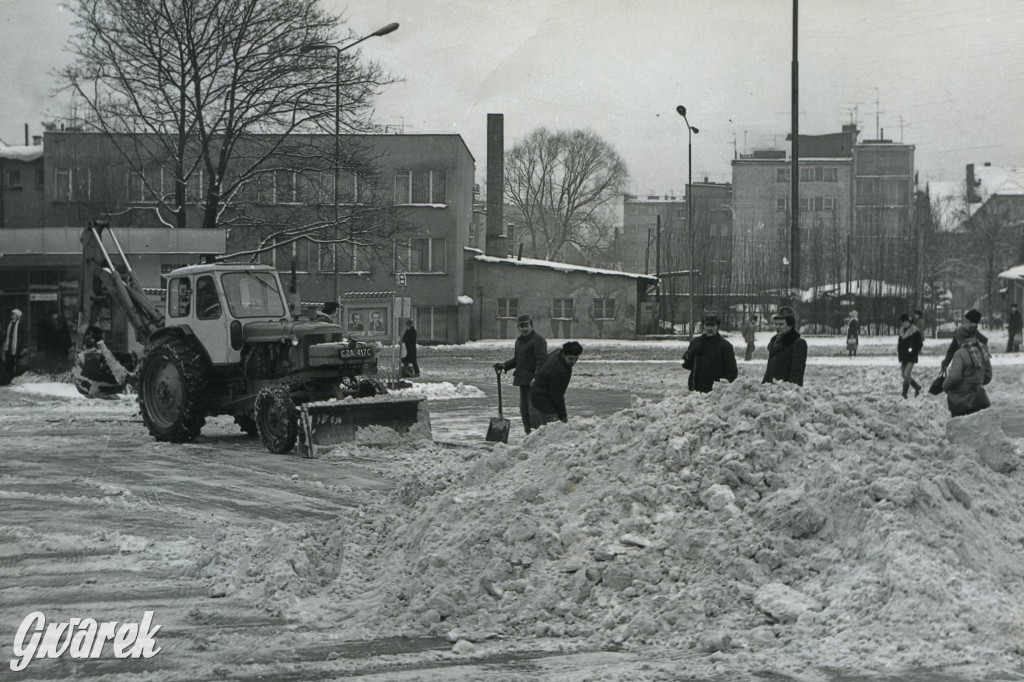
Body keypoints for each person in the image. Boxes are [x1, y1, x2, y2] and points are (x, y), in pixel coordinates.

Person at [494, 314, 548, 435]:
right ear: (518, 328)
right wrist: (504, 365)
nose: (524, 329)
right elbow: (517, 359)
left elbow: (541, 360)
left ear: (531, 325)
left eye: (526, 326)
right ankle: (527, 433)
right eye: (521, 326)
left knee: (534, 409)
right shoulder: (519, 341)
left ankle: (538, 433)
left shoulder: (538, 340)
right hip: (523, 380)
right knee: (524, 409)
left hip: (534, 381)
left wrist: (536, 377)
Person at [529, 341, 583, 428]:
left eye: (576, 358)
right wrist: (563, 417)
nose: (573, 362)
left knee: (540, 434)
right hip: (543, 405)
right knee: (551, 433)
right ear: (564, 355)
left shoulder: (558, 352)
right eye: (571, 358)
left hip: (535, 397)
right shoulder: (559, 371)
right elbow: (557, 396)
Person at [942, 327, 992, 417]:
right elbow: (988, 375)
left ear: (960, 338)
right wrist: (976, 382)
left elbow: (954, 377)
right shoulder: (982, 350)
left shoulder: (960, 353)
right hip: (979, 399)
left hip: (961, 401)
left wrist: (944, 385)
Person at [682, 314, 738, 392]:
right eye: (707, 325)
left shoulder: (725, 346)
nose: (709, 328)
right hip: (696, 391)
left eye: (712, 325)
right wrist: (690, 353)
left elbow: (732, 373)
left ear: (717, 326)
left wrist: (723, 388)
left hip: (715, 393)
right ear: (703, 326)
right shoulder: (696, 342)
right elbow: (686, 365)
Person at [762, 306, 808, 386]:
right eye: (776, 324)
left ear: (790, 325)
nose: (777, 327)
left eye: (781, 324)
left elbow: (796, 374)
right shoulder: (775, 342)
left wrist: (789, 393)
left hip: (784, 391)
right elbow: (769, 371)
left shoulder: (798, 343)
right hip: (770, 390)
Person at [896, 313, 923, 398]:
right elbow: (899, 343)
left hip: (911, 356)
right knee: (903, 375)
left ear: (910, 321)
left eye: (906, 321)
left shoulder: (914, 331)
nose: (904, 323)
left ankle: (904, 393)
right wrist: (899, 352)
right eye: (903, 322)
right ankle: (916, 386)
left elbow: (919, 343)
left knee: (906, 374)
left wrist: (913, 350)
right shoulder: (901, 331)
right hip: (903, 356)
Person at [3, 308, 25, 382]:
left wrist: (22, 347)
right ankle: (9, 376)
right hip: (9, 346)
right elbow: (6, 334)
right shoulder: (9, 323)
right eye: (12, 314)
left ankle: (16, 377)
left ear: (17, 316)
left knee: (17, 362)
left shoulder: (20, 324)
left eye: (14, 315)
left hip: (16, 346)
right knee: (9, 362)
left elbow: (22, 336)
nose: (13, 316)